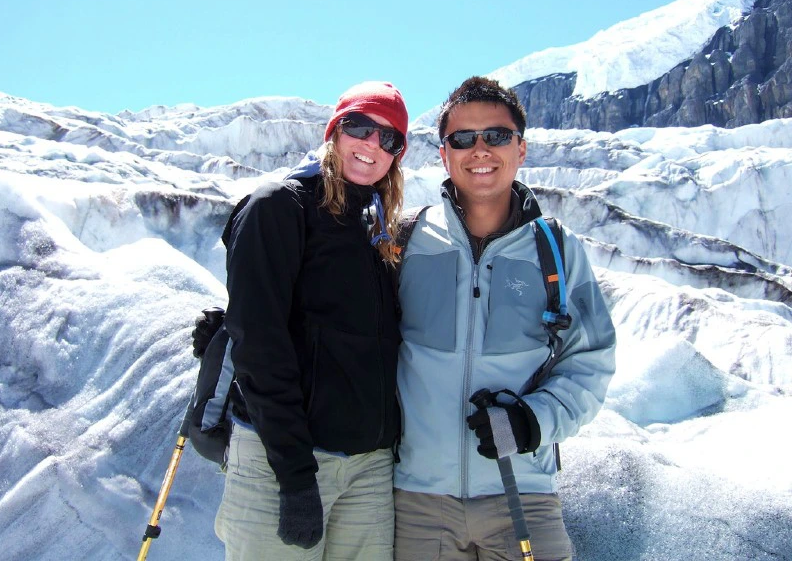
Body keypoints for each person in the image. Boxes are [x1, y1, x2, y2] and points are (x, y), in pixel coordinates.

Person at [393, 76, 616, 561]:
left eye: (496, 136)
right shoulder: (405, 242)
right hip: (416, 502)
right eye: (462, 139)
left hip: (525, 495)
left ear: (521, 149)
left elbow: (590, 361)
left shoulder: (558, 251)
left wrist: (532, 421)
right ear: (443, 154)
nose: (480, 150)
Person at [213, 81, 409, 560]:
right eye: (360, 127)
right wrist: (295, 475)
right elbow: (259, 346)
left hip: (368, 468)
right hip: (283, 461)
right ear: (334, 131)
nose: (372, 145)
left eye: (390, 140)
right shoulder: (280, 206)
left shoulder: (378, 227)